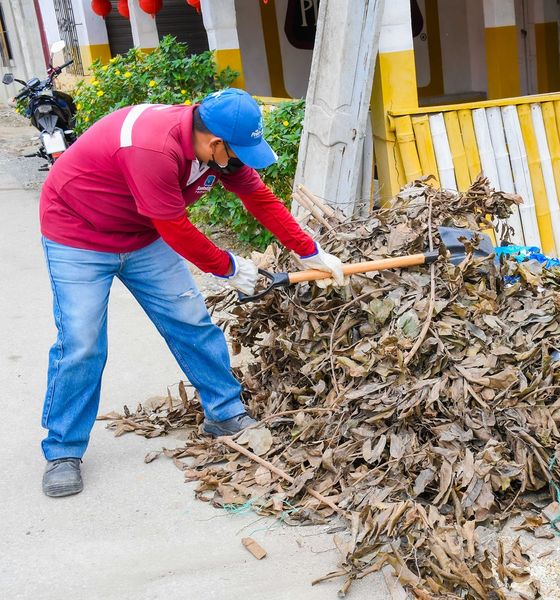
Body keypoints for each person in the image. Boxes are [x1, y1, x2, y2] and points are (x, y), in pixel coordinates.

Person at [38, 88, 344, 498]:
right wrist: (228, 267)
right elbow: (175, 228)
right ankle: (63, 450)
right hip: (78, 236)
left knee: (191, 320)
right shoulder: (152, 148)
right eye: (236, 152)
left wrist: (310, 251)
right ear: (215, 143)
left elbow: (257, 197)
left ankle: (224, 412)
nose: (239, 160)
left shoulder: (216, 150)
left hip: (143, 235)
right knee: (82, 342)